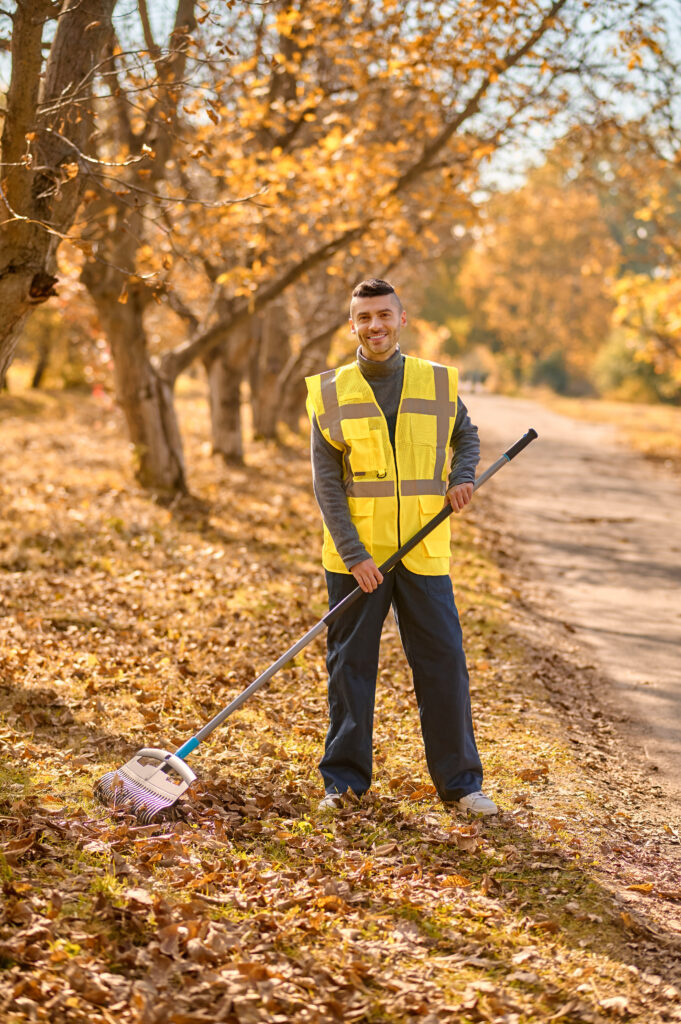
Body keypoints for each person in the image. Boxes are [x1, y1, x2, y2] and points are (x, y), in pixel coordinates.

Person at [305, 278, 497, 816]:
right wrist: (354, 555)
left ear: (402, 319)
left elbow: (467, 435)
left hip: (422, 548)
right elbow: (327, 482)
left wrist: (462, 476)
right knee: (350, 667)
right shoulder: (330, 392)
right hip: (357, 558)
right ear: (352, 327)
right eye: (364, 318)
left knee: (443, 663)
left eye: (384, 315)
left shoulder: (435, 383)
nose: (375, 326)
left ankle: (461, 784)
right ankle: (343, 783)